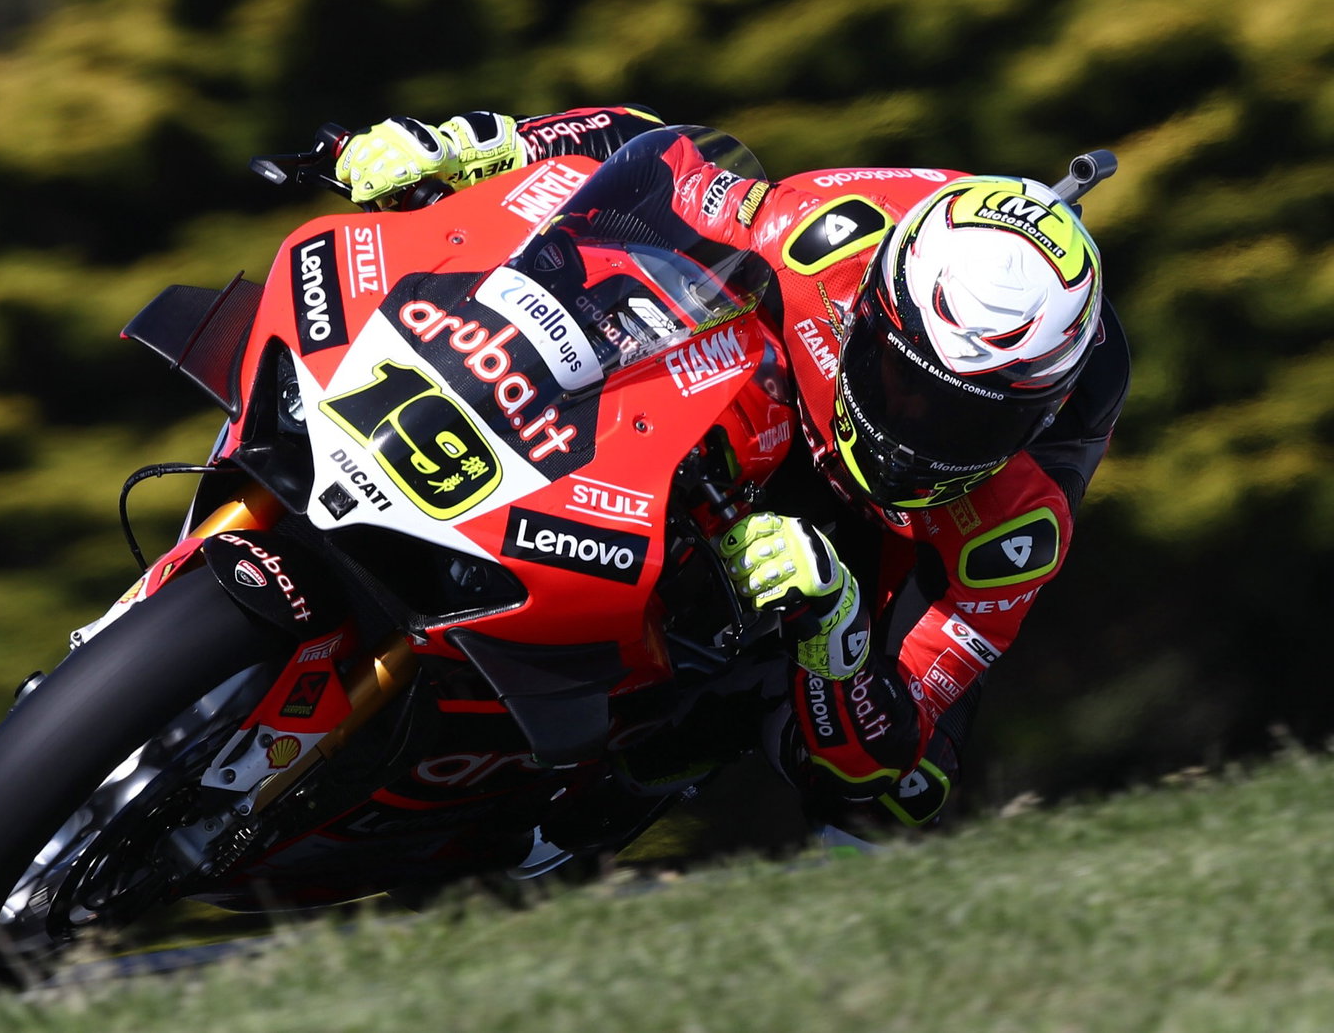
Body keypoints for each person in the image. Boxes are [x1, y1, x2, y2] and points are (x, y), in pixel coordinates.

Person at [332, 106, 1130, 829]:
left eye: (969, 419)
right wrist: (483, 145)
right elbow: (662, 161)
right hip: (773, 386)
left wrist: (835, 629)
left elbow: (892, 740)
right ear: (869, 312)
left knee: (902, 793)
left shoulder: (1018, 522)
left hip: (889, 539)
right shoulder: (824, 235)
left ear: (1040, 415)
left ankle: (622, 786)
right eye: (903, 382)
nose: (916, 433)